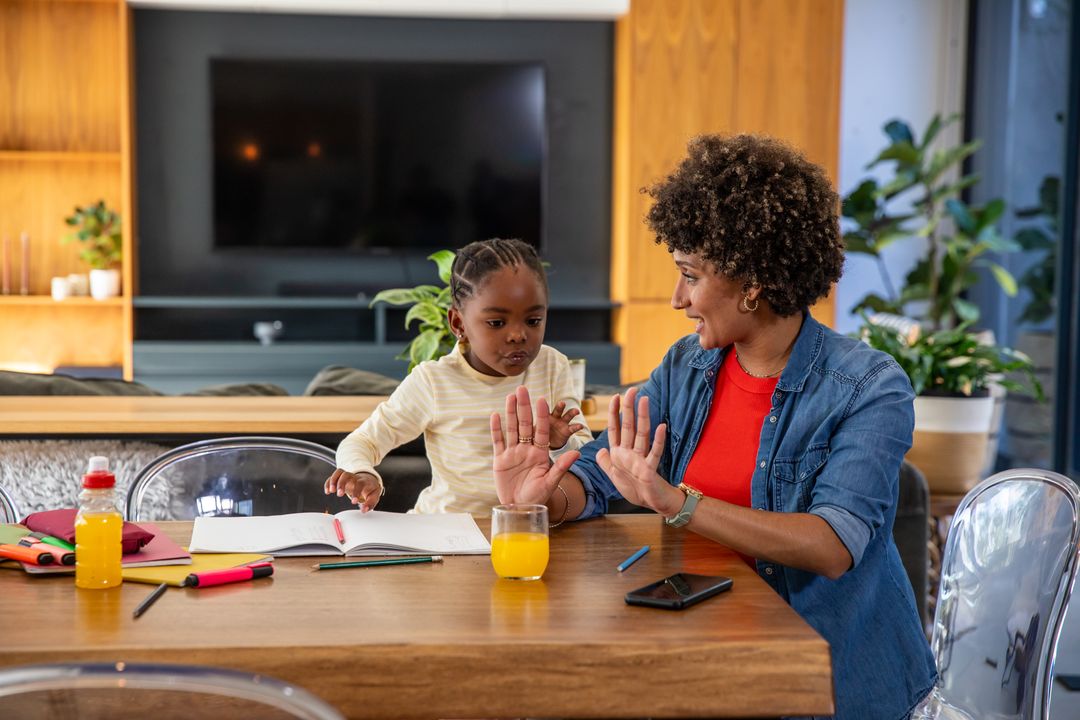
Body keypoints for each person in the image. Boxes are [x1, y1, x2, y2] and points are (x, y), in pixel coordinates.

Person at [490, 135, 936, 719]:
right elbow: (607, 471)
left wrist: (678, 503)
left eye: (689, 276)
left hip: (822, 683)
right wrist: (549, 497)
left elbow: (831, 545)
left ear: (752, 282)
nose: (677, 298)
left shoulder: (869, 386)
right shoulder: (688, 366)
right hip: (698, 659)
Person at [325, 237, 592, 516]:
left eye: (533, 321)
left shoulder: (552, 366)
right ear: (458, 323)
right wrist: (362, 472)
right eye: (497, 323)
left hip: (523, 530)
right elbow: (362, 441)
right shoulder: (433, 381)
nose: (518, 335)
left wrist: (560, 444)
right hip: (445, 534)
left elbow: (585, 458)